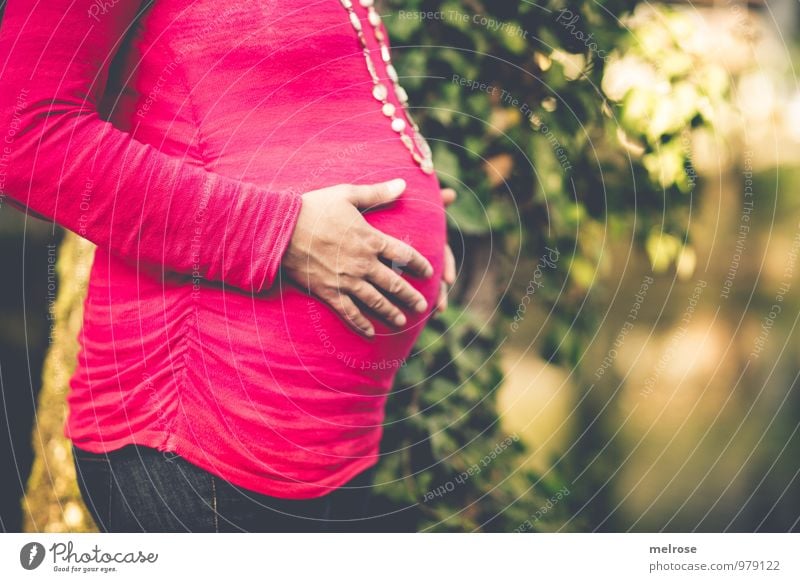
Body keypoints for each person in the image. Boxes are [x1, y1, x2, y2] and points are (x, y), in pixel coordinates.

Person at [0, 0, 455, 532]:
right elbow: (22, 139)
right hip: (195, 432)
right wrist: (278, 232)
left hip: (327, 441)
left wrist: (406, 221)